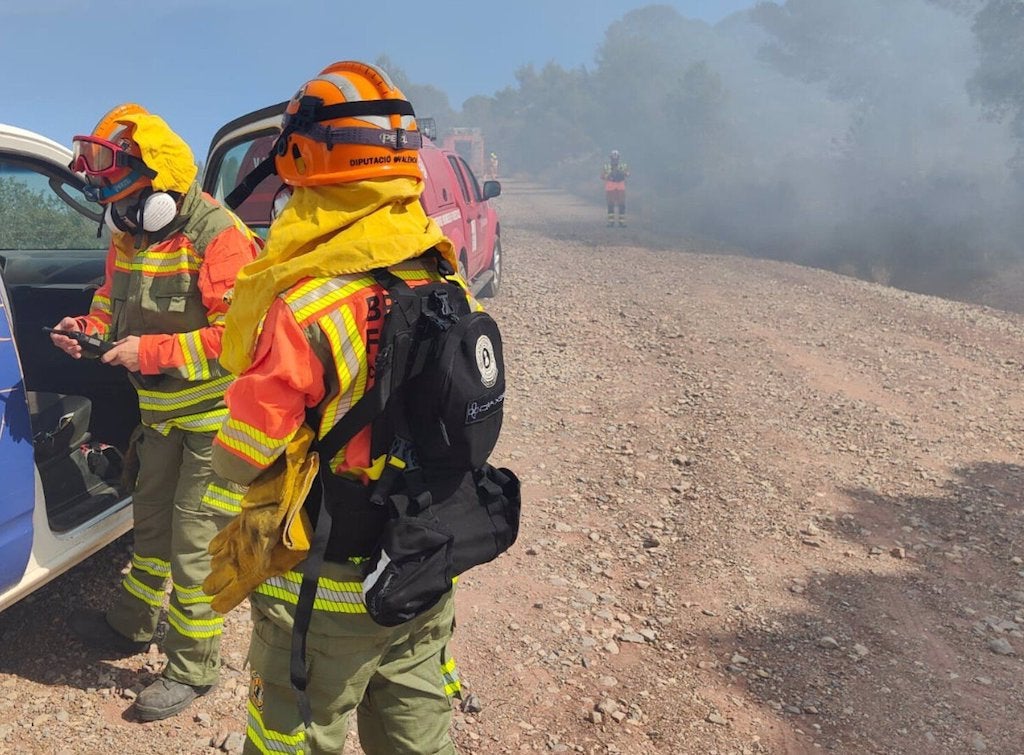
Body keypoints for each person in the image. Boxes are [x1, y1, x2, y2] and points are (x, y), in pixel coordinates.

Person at [208, 61, 468, 754]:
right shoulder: (445, 277)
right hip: (421, 565)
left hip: (327, 587)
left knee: (288, 739)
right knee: (417, 735)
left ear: (300, 162)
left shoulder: (305, 306)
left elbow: (243, 455)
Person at [53, 103, 260, 721]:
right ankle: (131, 624)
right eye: (111, 205)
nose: (119, 217)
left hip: (214, 421)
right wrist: (86, 329)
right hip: (161, 413)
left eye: (126, 201)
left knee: (195, 543)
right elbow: (109, 302)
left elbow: (239, 337)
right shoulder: (129, 234)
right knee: (149, 526)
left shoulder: (219, 235)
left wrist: (149, 352)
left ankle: (193, 668)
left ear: (161, 190)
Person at [601, 149, 630, 227]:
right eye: (613, 158)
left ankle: (622, 222)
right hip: (610, 186)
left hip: (620, 185)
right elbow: (602, 176)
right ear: (610, 158)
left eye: (616, 158)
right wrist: (609, 175)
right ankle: (611, 222)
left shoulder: (623, 165)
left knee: (622, 204)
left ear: (619, 158)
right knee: (610, 204)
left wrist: (621, 172)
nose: (615, 159)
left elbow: (627, 174)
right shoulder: (606, 166)